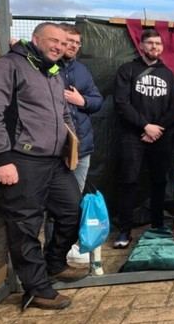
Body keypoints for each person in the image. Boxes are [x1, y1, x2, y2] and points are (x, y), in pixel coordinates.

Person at [0, 23, 87, 310]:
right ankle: (37, 289)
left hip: (54, 162)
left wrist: (70, 145)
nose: (59, 47)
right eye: (53, 40)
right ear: (36, 39)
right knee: (25, 225)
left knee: (72, 210)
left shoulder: (52, 72)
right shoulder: (7, 66)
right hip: (21, 160)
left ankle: (55, 264)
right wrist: (1, 159)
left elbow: (64, 114)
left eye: (63, 43)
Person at [113, 29, 174, 248]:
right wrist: (145, 126)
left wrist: (156, 129)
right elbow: (121, 103)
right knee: (129, 181)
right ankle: (124, 231)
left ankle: (158, 225)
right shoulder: (127, 70)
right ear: (141, 45)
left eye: (158, 43)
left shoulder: (168, 74)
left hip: (160, 136)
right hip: (132, 136)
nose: (154, 47)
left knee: (159, 181)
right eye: (150, 43)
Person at [57, 23, 104, 265]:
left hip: (81, 149)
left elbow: (98, 101)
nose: (73, 46)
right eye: (69, 41)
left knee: (74, 202)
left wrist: (81, 100)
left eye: (77, 43)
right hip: (53, 151)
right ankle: (52, 253)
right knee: (55, 203)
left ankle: (70, 248)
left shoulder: (82, 71)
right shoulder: (43, 67)